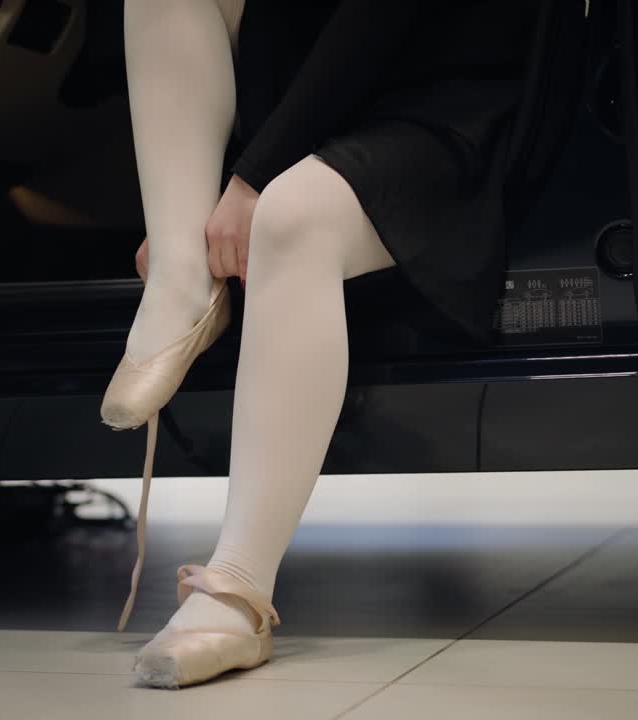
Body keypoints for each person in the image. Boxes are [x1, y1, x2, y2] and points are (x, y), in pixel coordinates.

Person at [100, 0, 534, 689]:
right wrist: (191, 212)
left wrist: (252, 178)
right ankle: (183, 279)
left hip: (437, 96)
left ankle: (237, 588)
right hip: (306, 95)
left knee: (291, 216)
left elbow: (378, 21)